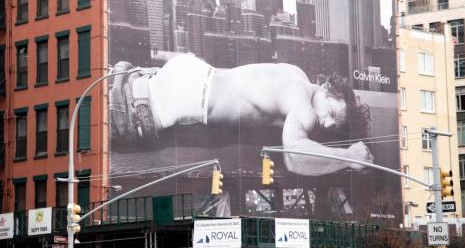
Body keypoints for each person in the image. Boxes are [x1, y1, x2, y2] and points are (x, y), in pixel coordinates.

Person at [110, 53, 374, 177]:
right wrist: (348, 157)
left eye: (332, 126)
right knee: (111, 128)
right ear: (328, 88)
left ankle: (125, 80)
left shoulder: (297, 72)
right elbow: (295, 156)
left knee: (113, 91)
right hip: (187, 96)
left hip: (193, 71)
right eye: (331, 112)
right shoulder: (302, 106)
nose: (325, 122)